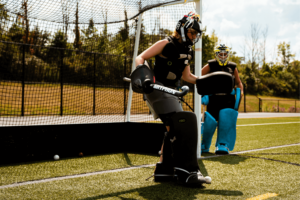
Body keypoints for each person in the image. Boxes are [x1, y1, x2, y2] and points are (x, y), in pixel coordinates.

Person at [132, 12, 211, 186]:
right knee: (184, 122)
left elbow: (187, 76)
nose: (195, 36)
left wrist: (203, 80)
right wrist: (145, 76)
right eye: (192, 33)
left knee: (177, 125)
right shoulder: (165, 43)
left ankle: (164, 170)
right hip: (155, 87)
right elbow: (141, 57)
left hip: (171, 91)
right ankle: (186, 171)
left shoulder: (187, 51)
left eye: (197, 34)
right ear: (182, 30)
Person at [201, 44, 243, 154]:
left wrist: (240, 93)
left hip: (228, 99)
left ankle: (222, 145)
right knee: (209, 122)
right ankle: (204, 144)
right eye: (221, 54)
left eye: (225, 54)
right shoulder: (210, 65)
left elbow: (238, 82)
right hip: (213, 99)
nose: (223, 56)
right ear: (216, 54)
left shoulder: (232, 67)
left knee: (226, 121)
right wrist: (203, 93)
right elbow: (198, 77)